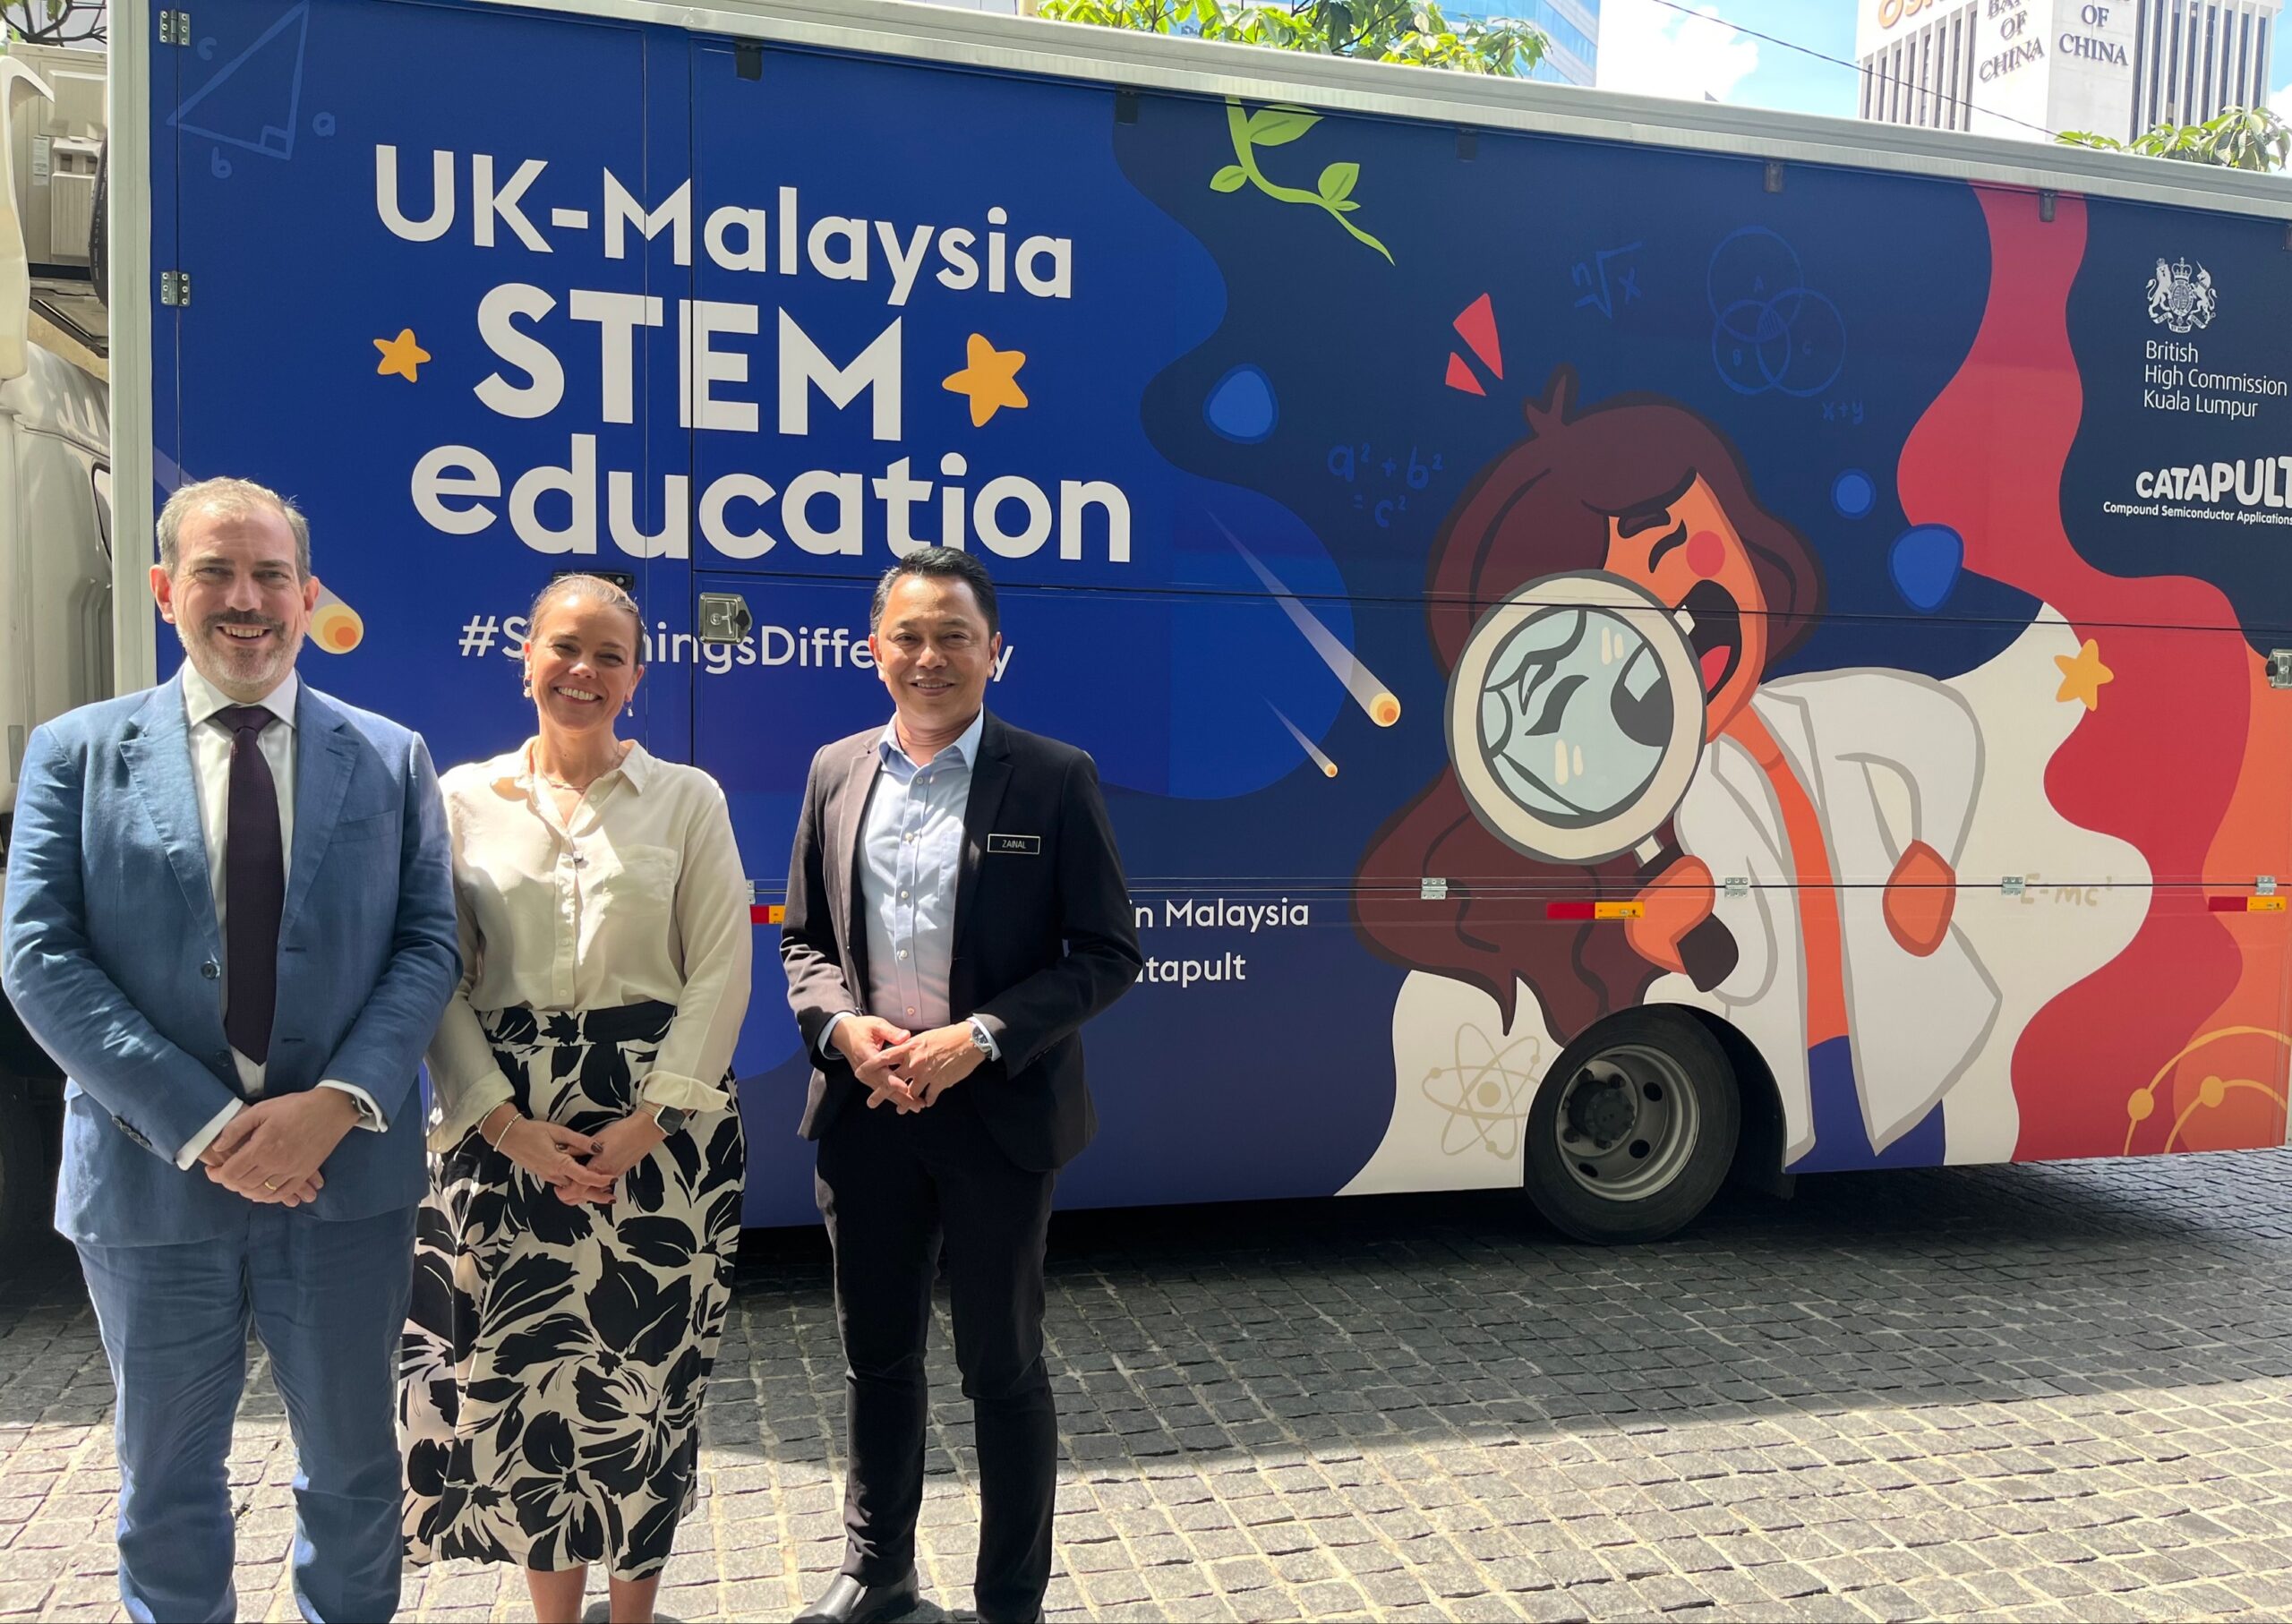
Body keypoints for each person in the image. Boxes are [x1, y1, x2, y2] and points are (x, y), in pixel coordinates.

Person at [0, 477, 460, 1623]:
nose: (245, 600)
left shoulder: (392, 757)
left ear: (309, 596)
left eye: (270, 575)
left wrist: (339, 1099)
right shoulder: (74, 753)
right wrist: (206, 1128)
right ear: (166, 590)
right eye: (216, 572)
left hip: (346, 1180)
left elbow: (428, 944)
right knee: (165, 1483)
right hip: (151, 1188)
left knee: (355, 1474)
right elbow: (39, 959)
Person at [782, 547, 1142, 1624]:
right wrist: (845, 1029)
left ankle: (1008, 1599)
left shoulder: (1053, 775)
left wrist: (978, 1037)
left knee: (1002, 1366)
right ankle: (877, 1568)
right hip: (868, 1114)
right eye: (908, 634)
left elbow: (1106, 951)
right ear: (872, 648)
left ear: (996, 652)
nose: (928, 656)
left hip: (996, 1120)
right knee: (877, 1356)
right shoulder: (835, 769)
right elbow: (802, 942)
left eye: (953, 636)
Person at [398, 572, 751, 1624]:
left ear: (636, 678)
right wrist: (506, 1124)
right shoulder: (459, 797)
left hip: (664, 1132)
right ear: (526, 658)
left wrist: (651, 1119)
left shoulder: (689, 798)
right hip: (501, 1125)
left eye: (608, 654)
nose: (583, 670)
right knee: (521, 1384)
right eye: (564, 647)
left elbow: (721, 968)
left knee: (647, 1389)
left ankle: (632, 1616)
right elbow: (436, 973)